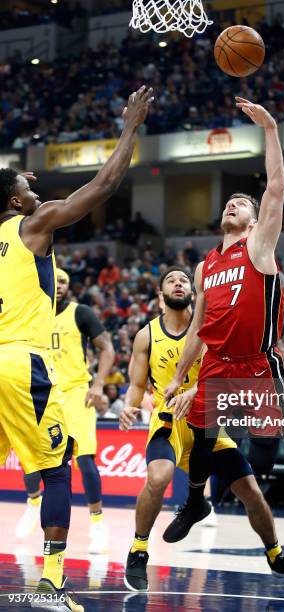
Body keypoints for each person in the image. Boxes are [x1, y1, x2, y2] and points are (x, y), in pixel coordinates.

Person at [0, 84, 151, 609]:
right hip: (23, 362)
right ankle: (51, 583)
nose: (37, 193)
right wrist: (129, 126)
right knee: (57, 468)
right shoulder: (33, 224)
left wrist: (12, 184)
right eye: (28, 188)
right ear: (18, 202)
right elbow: (104, 185)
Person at [163, 98, 284, 581]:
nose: (234, 204)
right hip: (216, 364)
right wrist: (181, 377)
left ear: (253, 221)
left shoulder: (259, 244)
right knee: (203, 442)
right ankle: (196, 502)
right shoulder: (206, 266)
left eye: (242, 204)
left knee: (262, 458)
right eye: (230, 202)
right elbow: (199, 332)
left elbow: (278, 186)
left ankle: (269, 544)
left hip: (257, 364)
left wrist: (270, 128)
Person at [120, 267, 284, 590]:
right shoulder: (146, 335)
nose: (179, 283)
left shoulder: (212, 331)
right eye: (171, 280)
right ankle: (138, 550)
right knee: (158, 476)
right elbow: (136, 386)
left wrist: (196, 392)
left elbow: (225, 376)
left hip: (208, 421)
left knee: (251, 491)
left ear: (193, 294)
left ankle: (275, 554)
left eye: (184, 280)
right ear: (159, 298)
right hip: (170, 422)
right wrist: (128, 406)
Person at [15, 268, 115, 553]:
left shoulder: (80, 312)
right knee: (33, 457)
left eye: (64, 282)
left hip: (76, 393)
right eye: (55, 280)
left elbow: (107, 348)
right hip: (42, 393)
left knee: (84, 460)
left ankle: (97, 525)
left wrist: (98, 385)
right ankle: (33, 504)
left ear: (68, 288)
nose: (59, 285)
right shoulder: (31, 313)